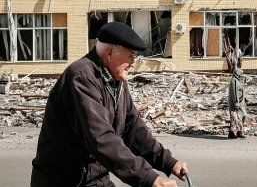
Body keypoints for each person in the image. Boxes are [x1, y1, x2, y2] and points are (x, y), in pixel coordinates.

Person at [31, 22, 188, 187]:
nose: (133, 62)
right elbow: (100, 137)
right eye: (131, 55)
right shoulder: (81, 77)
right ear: (110, 52)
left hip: (95, 180)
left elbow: (133, 128)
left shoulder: (116, 80)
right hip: (64, 181)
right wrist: (149, 178)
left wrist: (169, 162)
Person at [227, 67, 246, 139]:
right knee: (235, 117)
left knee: (239, 117)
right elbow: (235, 92)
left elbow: (240, 91)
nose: (241, 75)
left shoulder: (237, 80)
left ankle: (238, 132)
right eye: (241, 74)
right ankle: (234, 133)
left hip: (240, 102)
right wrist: (236, 103)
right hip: (236, 102)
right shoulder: (234, 81)